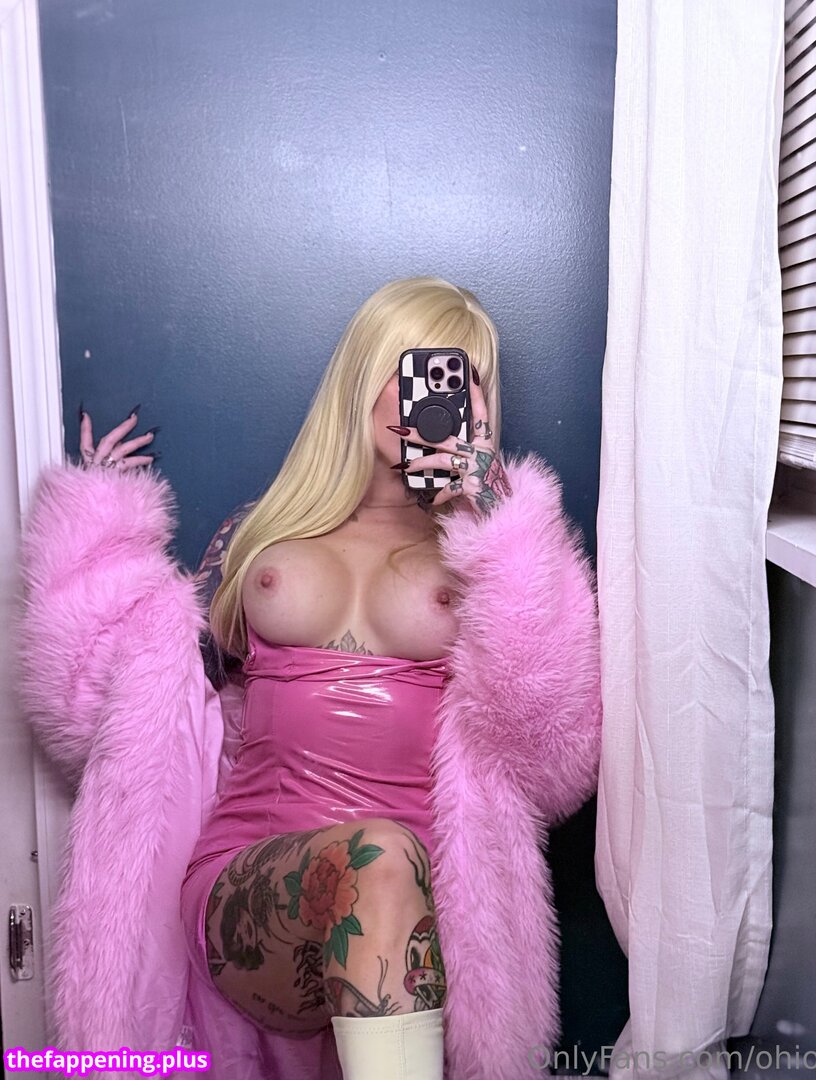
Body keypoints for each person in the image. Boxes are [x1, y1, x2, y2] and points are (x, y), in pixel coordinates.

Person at [16, 277, 603, 1080]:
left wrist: (507, 533)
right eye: (410, 369)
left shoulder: (490, 565)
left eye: (455, 378)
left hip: (427, 909)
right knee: (377, 857)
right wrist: (96, 536)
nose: (428, 398)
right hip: (252, 889)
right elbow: (106, 714)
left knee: (384, 862)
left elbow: (553, 760)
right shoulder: (258, 539)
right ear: (363, 376)